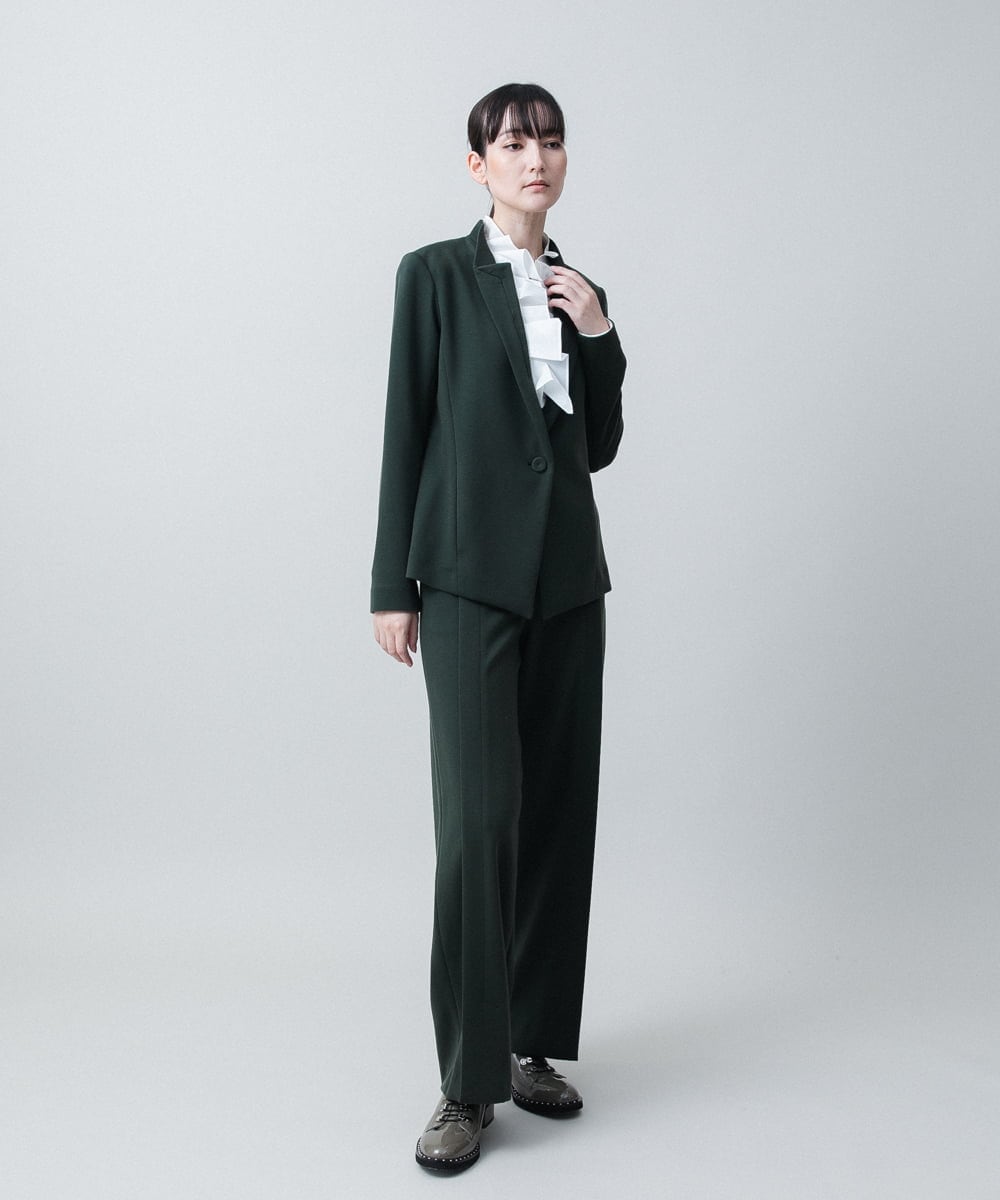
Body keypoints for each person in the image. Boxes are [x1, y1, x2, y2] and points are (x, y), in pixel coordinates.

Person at [370, 82, 627, 1173]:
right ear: (478, 165)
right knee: (478, 829)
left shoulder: (581, 287)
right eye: (515, 143)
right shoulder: (433, 276)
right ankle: (465, 1085)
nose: (537, 159)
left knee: (558, 817)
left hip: (567, 584)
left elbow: (596, 446)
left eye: (550, 141)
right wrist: (393, 583)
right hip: (467, 581)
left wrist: (599, 333)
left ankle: (530, 1047)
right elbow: (406, 426)